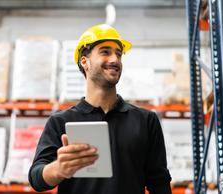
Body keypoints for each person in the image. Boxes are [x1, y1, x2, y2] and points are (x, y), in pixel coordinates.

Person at [29, 24, 172, 194]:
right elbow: (36, 178)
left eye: (118, 54)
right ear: (85, 62)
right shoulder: (60, 121)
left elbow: (160, 183)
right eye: (105, 52)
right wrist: (58, 169)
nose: (115, 60)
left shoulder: (146, 121)